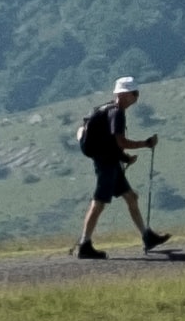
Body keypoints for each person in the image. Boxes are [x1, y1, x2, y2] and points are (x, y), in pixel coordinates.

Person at [71, 77, 167, 256]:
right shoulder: (117, 113)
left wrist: (124, 158)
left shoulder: (107, 109)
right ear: (123, 94)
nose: (136, 97)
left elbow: (111, 144)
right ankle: (84, 245)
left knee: (131, 197)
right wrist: (145, 143)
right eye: (134, 93)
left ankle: (147, 236)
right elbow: (120, 141)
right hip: (106, 162)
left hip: (109, 159)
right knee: (99, 202)